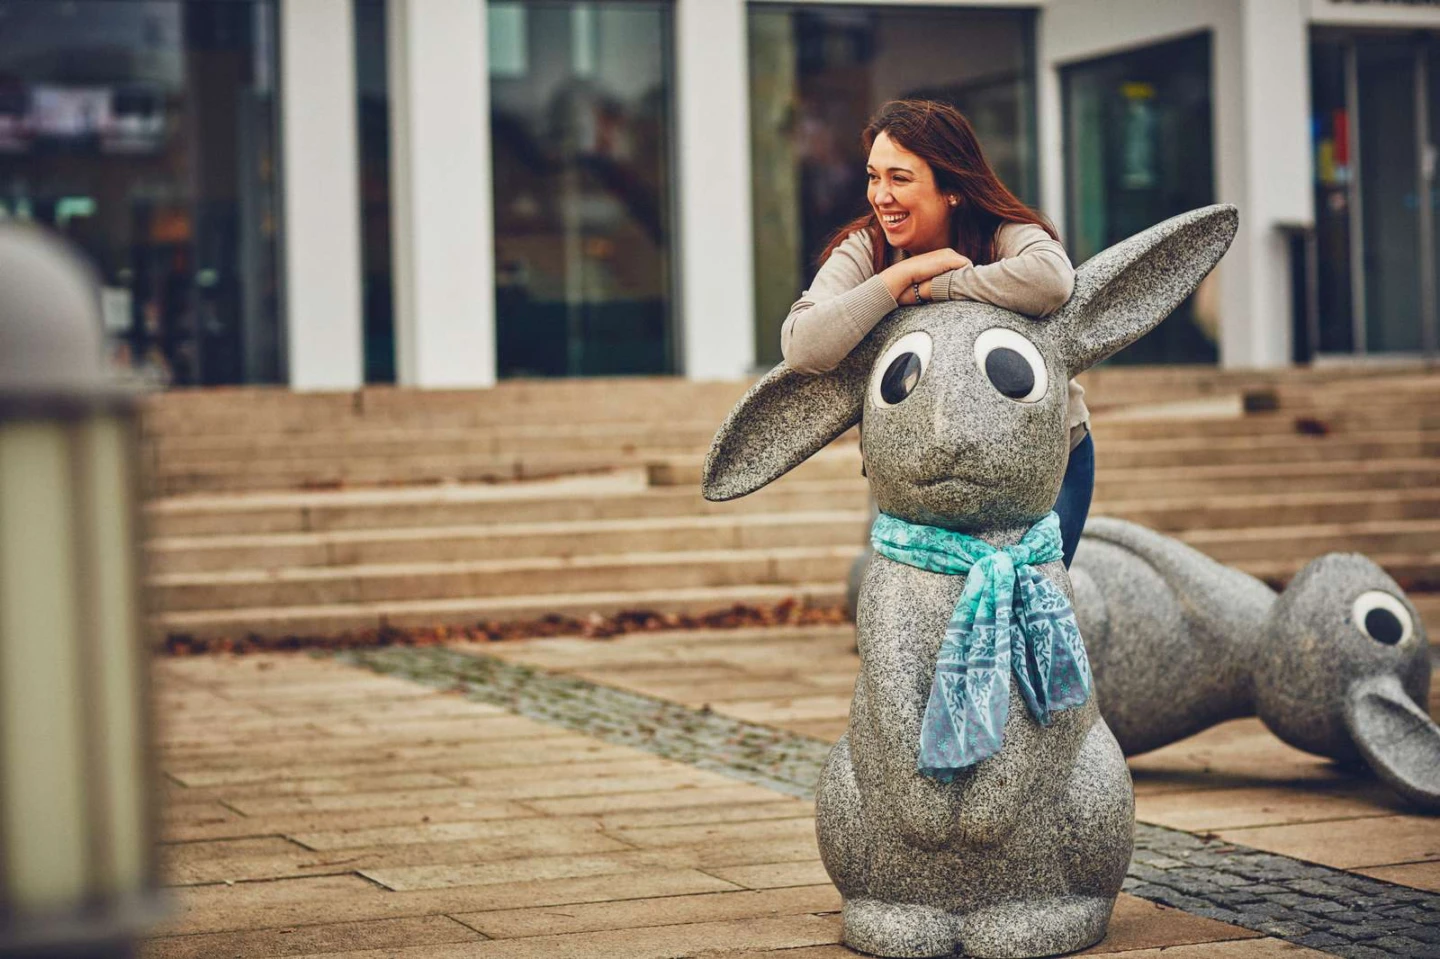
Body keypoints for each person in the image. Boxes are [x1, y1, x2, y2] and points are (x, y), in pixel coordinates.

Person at [781, 99, 1092, 566]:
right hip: (921, 468)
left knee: (1023, 619)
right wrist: (893, 283)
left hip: (1043, 467)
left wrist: (939, 286)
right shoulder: (867, 249)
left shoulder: (1001, 231)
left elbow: (1051, 278)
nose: (880, 195)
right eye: (873, 176)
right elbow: (803, 345)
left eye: (899, 178)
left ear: (951, 188)